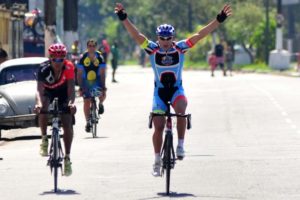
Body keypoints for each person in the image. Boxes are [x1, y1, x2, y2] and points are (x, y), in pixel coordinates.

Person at [114, 2, 231, 176]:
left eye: (169, 38)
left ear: (173, 38)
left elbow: (200, 35)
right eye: (162, 38)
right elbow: (136, 35)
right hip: (159, 92)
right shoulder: (152, 49)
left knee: (182, 109)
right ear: (158, 38)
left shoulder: (180, 47)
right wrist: (124, 18)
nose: (166, 42)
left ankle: (181, 145)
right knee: (158, 127)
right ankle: (156, 160)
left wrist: (218, 20)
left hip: (176, 89)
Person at [34, 43, 76, 176]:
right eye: (55, 59)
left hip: (63, 92)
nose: (58, 62)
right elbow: (39, 91)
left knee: (67, 122)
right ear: (50, 58)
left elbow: (71, 89)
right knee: (43, 107)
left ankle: (67, 158)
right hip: (48, 92)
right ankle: (45, 139)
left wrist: (71, 104)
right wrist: (39, 104)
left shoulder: (69, 67)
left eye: (61, 59)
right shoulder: (43, 69)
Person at [77, 39, 107, 133]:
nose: (91, 48)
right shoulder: (83, 58)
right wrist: (81, 87)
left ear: (96, 47)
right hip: (86, 81)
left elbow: (102, 73)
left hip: (97, 80)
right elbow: (79, 74)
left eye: (93, 46)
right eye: (90, 46)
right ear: (87, 47)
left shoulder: (100, 57)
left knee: (102, 94)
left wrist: (103, 86)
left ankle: (101, 104)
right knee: (86, 101)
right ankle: (88, 122)